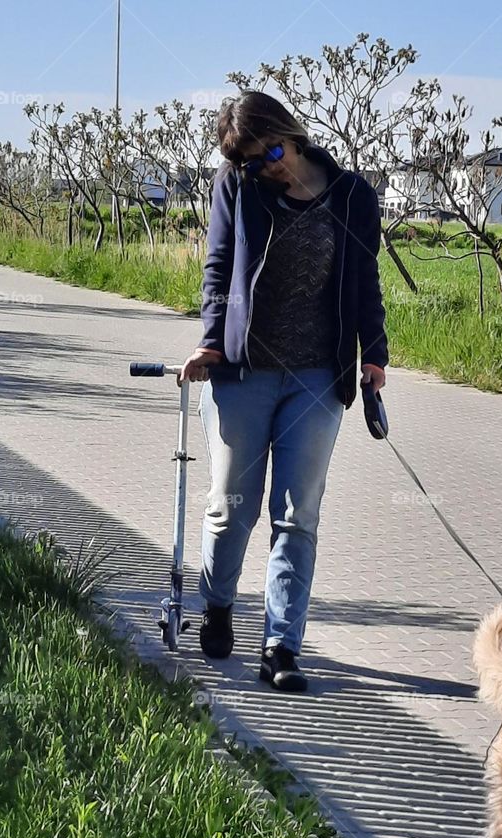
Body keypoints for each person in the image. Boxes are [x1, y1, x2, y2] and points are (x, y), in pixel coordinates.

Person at [179, 91, 388, 692]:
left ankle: (281, 646)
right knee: (230, 507)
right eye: (249, 160)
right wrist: (210, 341)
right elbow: (218, 269)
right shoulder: (237, 189)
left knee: (297, 515)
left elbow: (364, 279)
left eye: (270, 150)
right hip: (243, 371)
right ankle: (218, 606)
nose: (266, 166)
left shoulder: (351, 196)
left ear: (289, 132)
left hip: (318, 376)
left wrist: (373, 354)